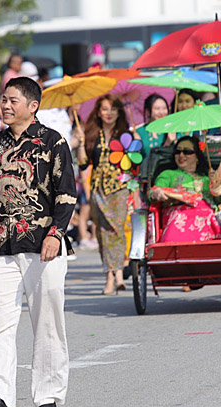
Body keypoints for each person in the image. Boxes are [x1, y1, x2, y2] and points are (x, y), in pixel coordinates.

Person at [0, 76, 75, 407]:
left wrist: (56, 233)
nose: (5, 105)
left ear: (32, 105)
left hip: (45, 248)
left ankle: (48, 394)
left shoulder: (54, 143)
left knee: (48, 322)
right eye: (3, 100)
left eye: (12, 100)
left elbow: (66, 194)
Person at [78, 94, 131, 295]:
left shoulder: (125, 133)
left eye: (113, 109)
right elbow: (83, 163)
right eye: (105, 109)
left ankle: (117, 275)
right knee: (102, 233)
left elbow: (133, 161)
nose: (109, 114)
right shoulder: (92, 134)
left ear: (119, 112)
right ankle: (110, 275)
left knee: (116, 229)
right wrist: (81, 143)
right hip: (98, 188)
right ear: (99, 113)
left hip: (119, 188)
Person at [149, 136, 221, 242]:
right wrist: (156, 193)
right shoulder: (168, 174)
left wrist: (216, 182)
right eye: (178, 152)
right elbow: (153, 192)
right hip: (178, 213)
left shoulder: (206, 179)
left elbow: (218, 202)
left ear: (197, 157)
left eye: (187, 151)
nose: (181, 155)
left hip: (205, 214)